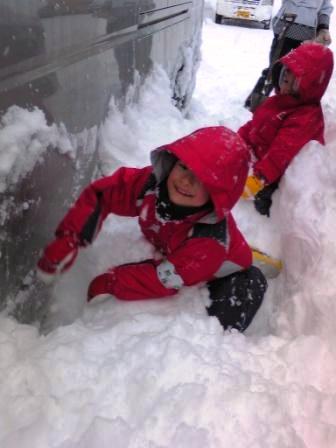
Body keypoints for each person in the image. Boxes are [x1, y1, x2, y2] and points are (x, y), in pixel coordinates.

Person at [37, 127, 267, 332]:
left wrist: (112, 281)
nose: (185, 181)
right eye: (184, 166)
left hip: (223, 272)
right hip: (181, 250)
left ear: (218, 193)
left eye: (202, 180)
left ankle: (248, 265)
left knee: (219, 324)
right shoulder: (150, 186)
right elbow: (103, 195)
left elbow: (164, 279)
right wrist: (71, 236)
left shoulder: (208, 242)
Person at [239, 42, 334, 216]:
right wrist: (238, 140)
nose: (286, 79)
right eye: (285, 72)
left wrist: (258, 180)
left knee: (267, 196)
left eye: (294, 79)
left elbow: (280, 154)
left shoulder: (304, 117)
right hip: (259, 156)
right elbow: (254, 125)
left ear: (310, 85)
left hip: (276, 173)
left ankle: (269, 207)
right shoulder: (278, 101)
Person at [245, 0, 333, 110]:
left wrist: (323, 28)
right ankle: (256, 103)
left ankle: (287, 107)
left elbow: (325, 8)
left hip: (307, 35)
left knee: (298, 75)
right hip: (285, 26)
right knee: (274, 68)